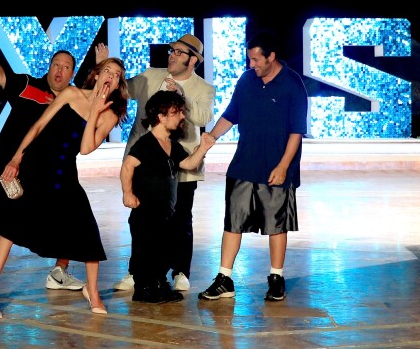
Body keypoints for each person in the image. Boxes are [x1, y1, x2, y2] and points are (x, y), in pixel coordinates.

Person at [0, 58, 129, 318]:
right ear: (95, 75)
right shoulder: (71, 93)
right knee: (9, 227)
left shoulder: (111, 112)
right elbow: (37, 126)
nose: (110, 76)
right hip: (35, 166)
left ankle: (92, 292)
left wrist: (94, 111)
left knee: (87, 232)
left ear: (118, 84)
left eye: (116, 75)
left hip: (64, 174)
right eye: (106, 70)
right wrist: (16, 158)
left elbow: (84, 149)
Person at [0, 40, 86, 305]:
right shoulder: (28, 86)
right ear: (48, 68)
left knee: (69, 216)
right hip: (11, 168)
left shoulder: (74, 99)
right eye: (55, 65)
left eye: (66, 67)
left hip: (49, 171)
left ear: (72, 73)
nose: (59, 71)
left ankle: (60, 272)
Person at [197, 29, 309, 302]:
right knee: (232, 221)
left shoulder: (293, 85)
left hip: (276, 168)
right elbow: (231, 114)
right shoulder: (246, 81)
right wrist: (211, 136)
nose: (251, 65)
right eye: (249, 59)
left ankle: (276, 277)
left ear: (271, 56)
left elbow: (297, 131)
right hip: (244, 164)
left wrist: (283, 166)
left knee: (276, 223)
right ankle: (224, 278)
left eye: (256, 60)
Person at [100, 35, 216, 293]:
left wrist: (180, 94)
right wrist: (105, 68)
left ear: (193, 60)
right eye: (171, 50)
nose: (172, 55)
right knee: (142, 219)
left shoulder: (203, 88)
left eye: (179, 52)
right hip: (145, 165)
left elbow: (203, 117)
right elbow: (124, 90)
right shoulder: (152, 75)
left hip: (182, 163)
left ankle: (180, 271)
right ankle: (136, 272)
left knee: (181, 219)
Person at [121, 90, 216, 303]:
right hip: (145, 210)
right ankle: (144, 288)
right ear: (161, 117)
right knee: (145, 250)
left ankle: (159, 283)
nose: (182, 116)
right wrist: (128, 193)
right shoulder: (145, 144)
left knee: (162, 249)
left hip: (164, 211)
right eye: (177, 112)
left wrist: (203, 148)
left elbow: (189, 164)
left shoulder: (172, 146)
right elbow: (128, 166)